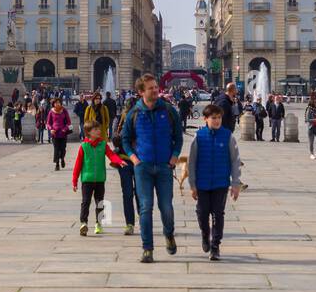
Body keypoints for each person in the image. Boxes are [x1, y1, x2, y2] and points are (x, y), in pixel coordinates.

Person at [121, 73, 184, 263]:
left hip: (165, 167)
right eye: (151, 88)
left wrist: (174, 156)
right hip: (143, 168)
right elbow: (125, 139)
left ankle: (169, 233)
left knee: (166, 207)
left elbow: (178, 136)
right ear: (141, 92)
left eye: (156, 87)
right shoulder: (134, 113)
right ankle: (147, 248)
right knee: (145, 207)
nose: (156, 90)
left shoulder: (168, 110)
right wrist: (133, 158)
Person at [187, 103, 243, 261]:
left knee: (218, 214)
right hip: (202, 184)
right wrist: (192, 185)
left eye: (219, 118)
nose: (217, 121)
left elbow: (235, 160)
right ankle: (205, 234)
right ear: (205, 119)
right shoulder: (199, 137)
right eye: (213, 118)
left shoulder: (228, 136)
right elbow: (192, 161)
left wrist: (236, 183)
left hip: (220, 183)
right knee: (202, 213)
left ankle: (215, 245)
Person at [71, 121, 127, 236]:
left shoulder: (103, 144)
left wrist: (119, 161)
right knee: (85, 202)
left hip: (100, 179)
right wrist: (74, 180)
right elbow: (78, 164)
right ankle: (83, 223)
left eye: (99, 129)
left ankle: (99, 223)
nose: (99, 131)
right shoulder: (84, 146)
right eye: (96, 129)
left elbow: (111, 155)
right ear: (88, 132)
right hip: (87, 179)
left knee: (100, 202)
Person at [47, 96, 72, 170]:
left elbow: (69, 122)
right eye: (56, 103)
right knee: (56, 149)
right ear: (53, 104)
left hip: (63, 133)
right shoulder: (51, 112)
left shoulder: (64, 111)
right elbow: (48, 123)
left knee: (63, 148)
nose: (57, 104)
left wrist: (65, 128)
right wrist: (51, 129)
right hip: (55, 133)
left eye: (59, 103)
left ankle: (62, 158)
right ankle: (57, 164)